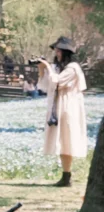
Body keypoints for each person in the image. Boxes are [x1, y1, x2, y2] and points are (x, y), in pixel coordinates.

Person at [36, 36, 88, 187]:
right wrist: (41, 69)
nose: (56, 53)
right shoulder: (58, 68)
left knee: (67, 139)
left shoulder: (72, 68)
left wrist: (47, 65)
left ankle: (67, 175)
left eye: (59, 51)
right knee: (61, 140)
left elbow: (57, 82)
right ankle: (65, 175)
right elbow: (45, 86)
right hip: (58, 106)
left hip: (68, 107)